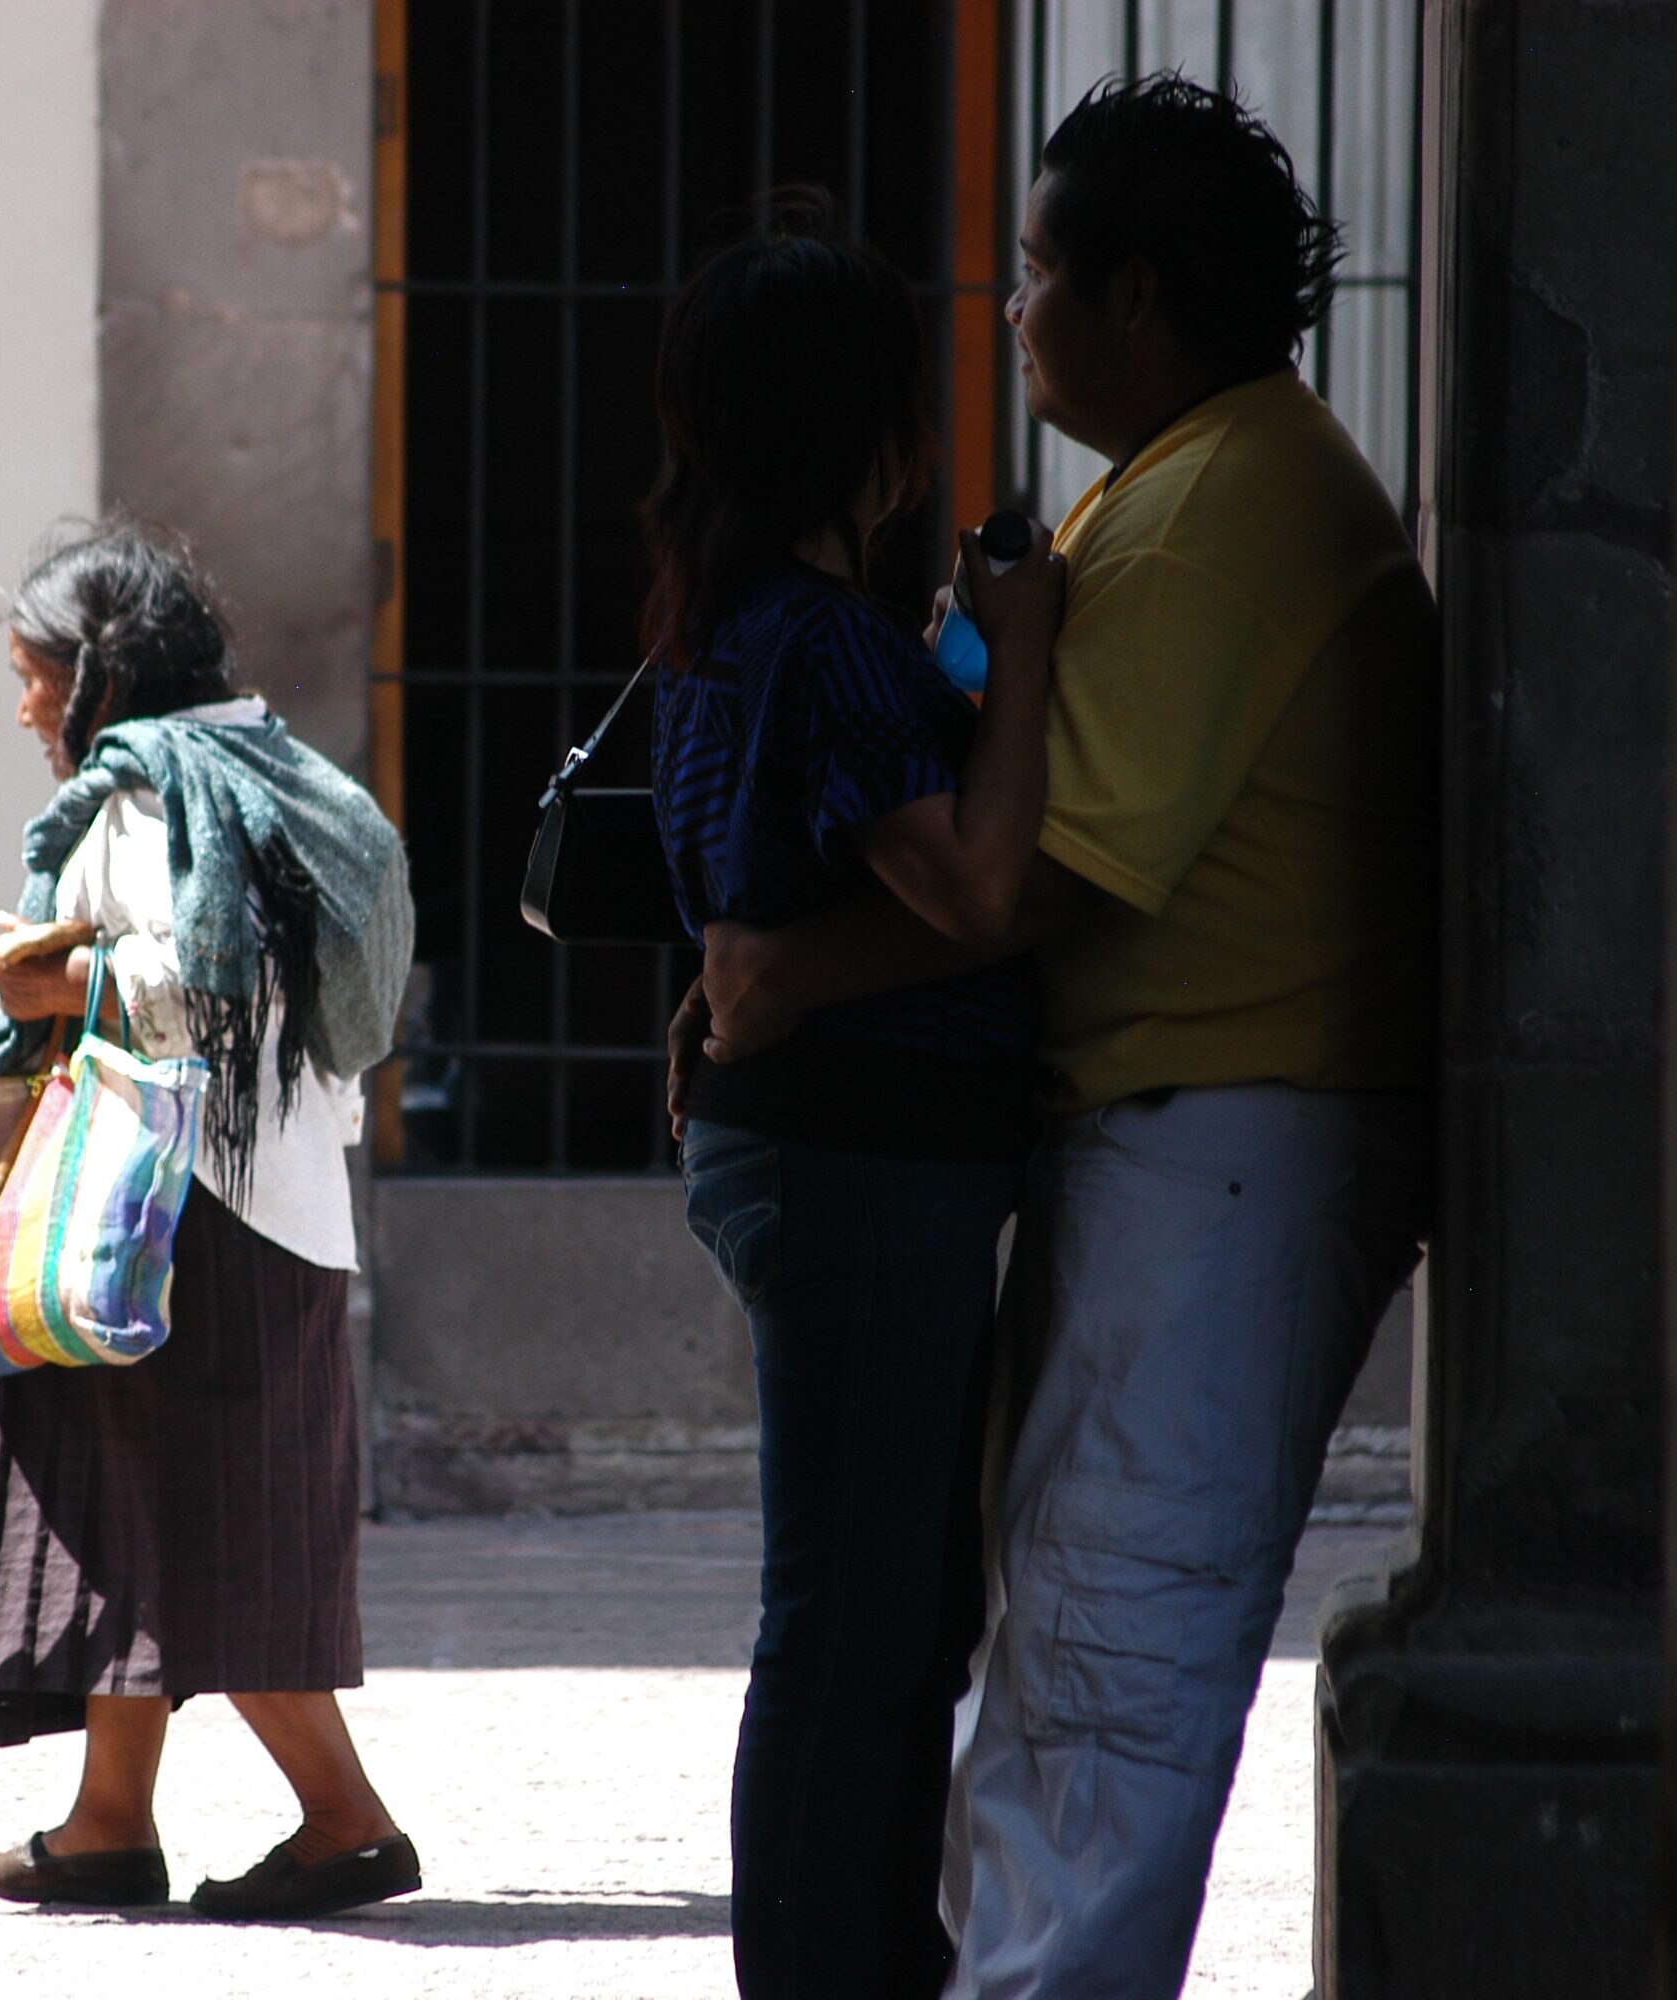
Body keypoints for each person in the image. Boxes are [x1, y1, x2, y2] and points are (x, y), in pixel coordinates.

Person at [680, 79, 1439, 1998]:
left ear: (1138, 293)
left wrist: (771, 980)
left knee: (1091, 1662)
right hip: (1165, 1128)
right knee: (987, 1643)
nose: (1007, 316)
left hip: (1221, 1135)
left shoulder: (1216, 506)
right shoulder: (1173, 484)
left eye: (1035, 275)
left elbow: (1009, 884)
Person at [0, 520, 423, 1922]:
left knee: (201, 1531)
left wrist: (57, 992)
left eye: (34, 675)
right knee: (138, 1519)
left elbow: (219, 1006)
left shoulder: (157, 801)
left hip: (176, 1226)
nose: (24, 708)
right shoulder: (274, 775)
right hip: (255, 1213)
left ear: (99, 672)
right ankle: (109, 1821)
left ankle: (345, 1821)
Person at [646, 194, 1068, 1999]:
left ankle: (873, 1950)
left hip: (815, 1154)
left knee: (887, 1612)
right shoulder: (816, 642)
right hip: (857, 1169)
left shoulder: (728, 628)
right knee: (855, 1621)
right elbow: (973, 887)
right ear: (867, 429)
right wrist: (1025, 634)